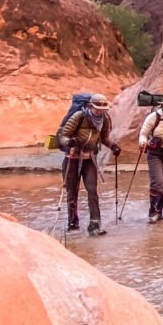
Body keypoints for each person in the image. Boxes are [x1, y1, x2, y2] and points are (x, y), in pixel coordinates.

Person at [60, 93, 121, 236]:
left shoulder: (104, 119)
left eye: (103, 108)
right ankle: (73, 224)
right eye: (97, 108)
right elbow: (63, 135)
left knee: (92, 190)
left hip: (90, 159)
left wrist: (113, 146)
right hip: (72, 159)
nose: (100, 111)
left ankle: (95, 225)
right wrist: (69, 142)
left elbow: (104, 138)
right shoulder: (79, 117)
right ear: (90, 106)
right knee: (72, 192)